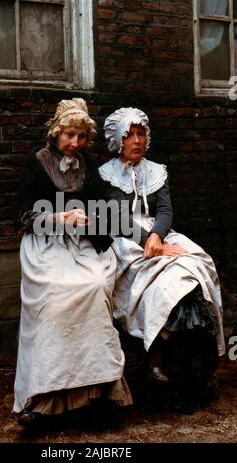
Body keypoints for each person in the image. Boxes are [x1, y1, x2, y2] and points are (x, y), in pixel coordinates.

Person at [12, 98, 132, 428]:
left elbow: (108, 196)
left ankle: (97, 395)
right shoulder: (37, 162)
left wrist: (97, 213)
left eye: (80, 136)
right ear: (55, 133)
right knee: (56, 296)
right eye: (68, 135)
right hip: (47, 244)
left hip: (83, 243)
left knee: (94, 288)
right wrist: (58, 217)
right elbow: (22, 214)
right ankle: (43, 400)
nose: (74, 143)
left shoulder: (87, 163)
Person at [98, 107, 225, 404]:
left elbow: (165, 210)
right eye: (129, 136)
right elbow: (116, 217)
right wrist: (148, 242)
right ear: (118, 140)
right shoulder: (106, 175)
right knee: (159, 284)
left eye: (141, 134)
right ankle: (155, 359)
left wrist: (157, 236)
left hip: (160, 234)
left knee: (196, 267)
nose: (137, 141)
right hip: (126, 240)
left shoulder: (157, 171)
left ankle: (193, 368)